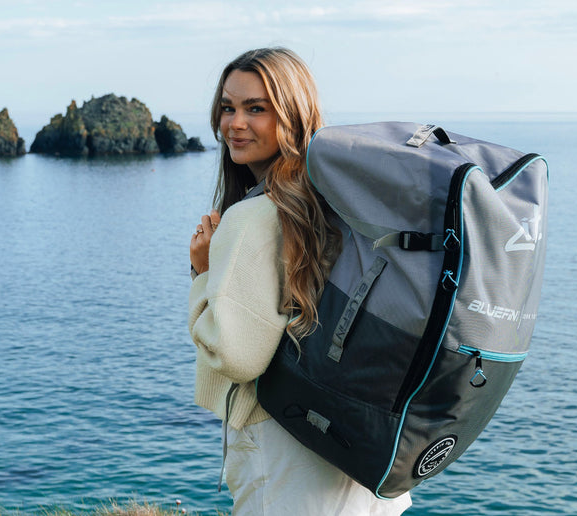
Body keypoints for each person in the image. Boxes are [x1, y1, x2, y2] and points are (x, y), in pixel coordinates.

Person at [187, 47, 412, 515]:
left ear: (291, 114)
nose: (235, 123)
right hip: (358, 444)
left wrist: (204, 275)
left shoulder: (251, 218)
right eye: (228, 107)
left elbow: (236, 355)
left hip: (287, 451)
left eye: (256, 109)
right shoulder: (339, 201)